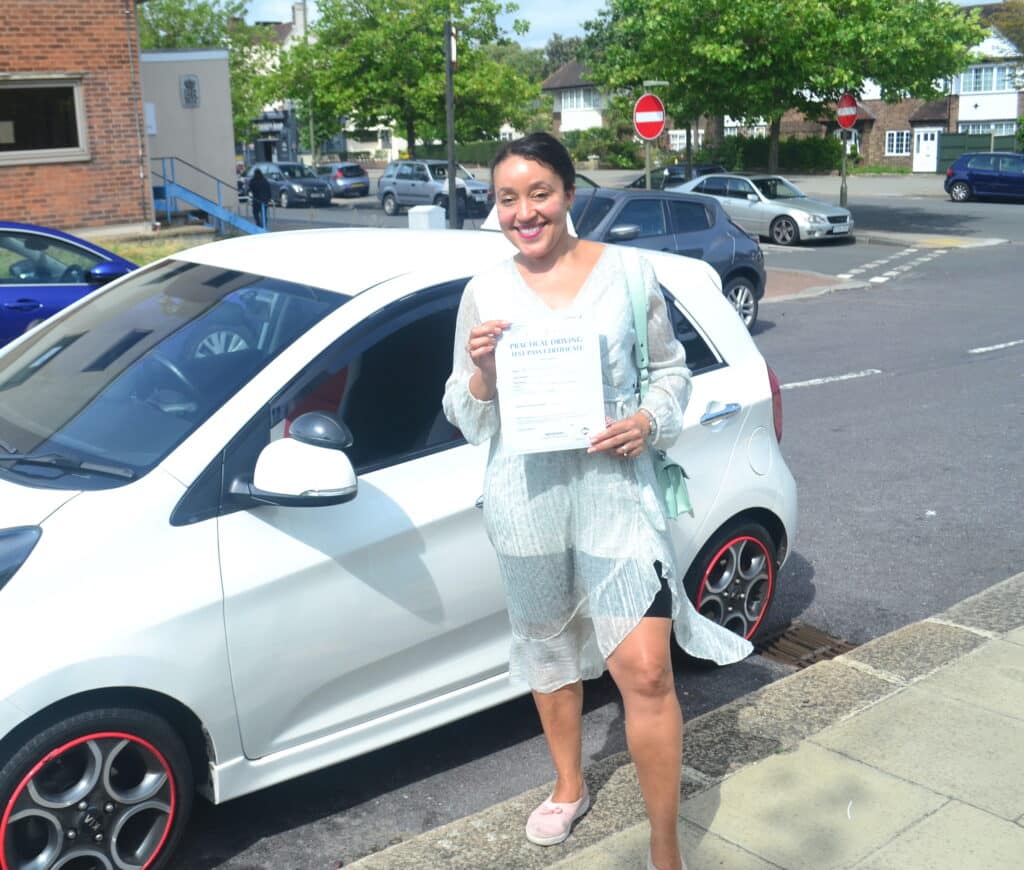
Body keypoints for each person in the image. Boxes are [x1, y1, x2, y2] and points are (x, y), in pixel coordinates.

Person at [442, 132, 753, 870]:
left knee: (647, 670)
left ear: (569, 195)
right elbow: (465, 412)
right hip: (529, 497)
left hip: (616, 493)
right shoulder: (484, 292)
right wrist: (483, 373)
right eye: (508, 198)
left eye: (539, 194)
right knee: (549, 653)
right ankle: (570, 783)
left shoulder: (629, 274)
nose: (525, 211)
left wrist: (648, 421)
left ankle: (665, 842)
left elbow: (672, 372)